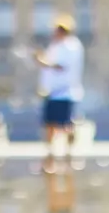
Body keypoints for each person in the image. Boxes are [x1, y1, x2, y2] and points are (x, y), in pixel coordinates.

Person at [34, 16, 85, 165]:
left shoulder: (71, 46)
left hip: (65, 92)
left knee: (66, 125)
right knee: (49, 124)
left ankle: (69, 152)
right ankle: (50, 153)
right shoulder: (55, 46)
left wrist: (41, 61)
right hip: (51, 92)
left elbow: (59, 66)